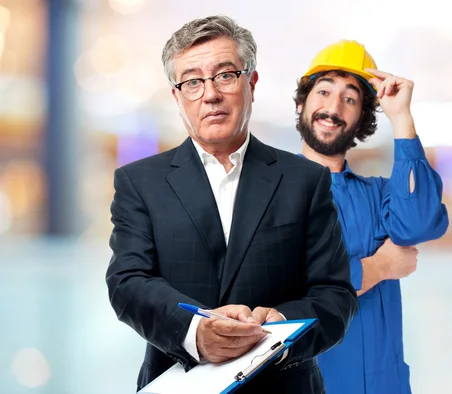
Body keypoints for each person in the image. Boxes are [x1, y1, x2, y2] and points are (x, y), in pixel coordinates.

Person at [105, 16, 358, 394]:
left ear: (250, 83)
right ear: (177, 97)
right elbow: (127, 281)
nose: (210, 94)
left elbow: (335, 294)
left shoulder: (305, 180)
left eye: (225, 75)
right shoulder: (139, 182)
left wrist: (282, 328)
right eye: (192, 81)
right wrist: (194, 332)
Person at [294, 40, 449, 394]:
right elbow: (290, 289)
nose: (333, 107)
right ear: (302, 103)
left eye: (349, 99)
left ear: (360, 120)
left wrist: (401, 118)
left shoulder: (378, 194)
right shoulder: (269, 193)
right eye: (323, 92)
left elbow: (420, 223)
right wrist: (379, 267)